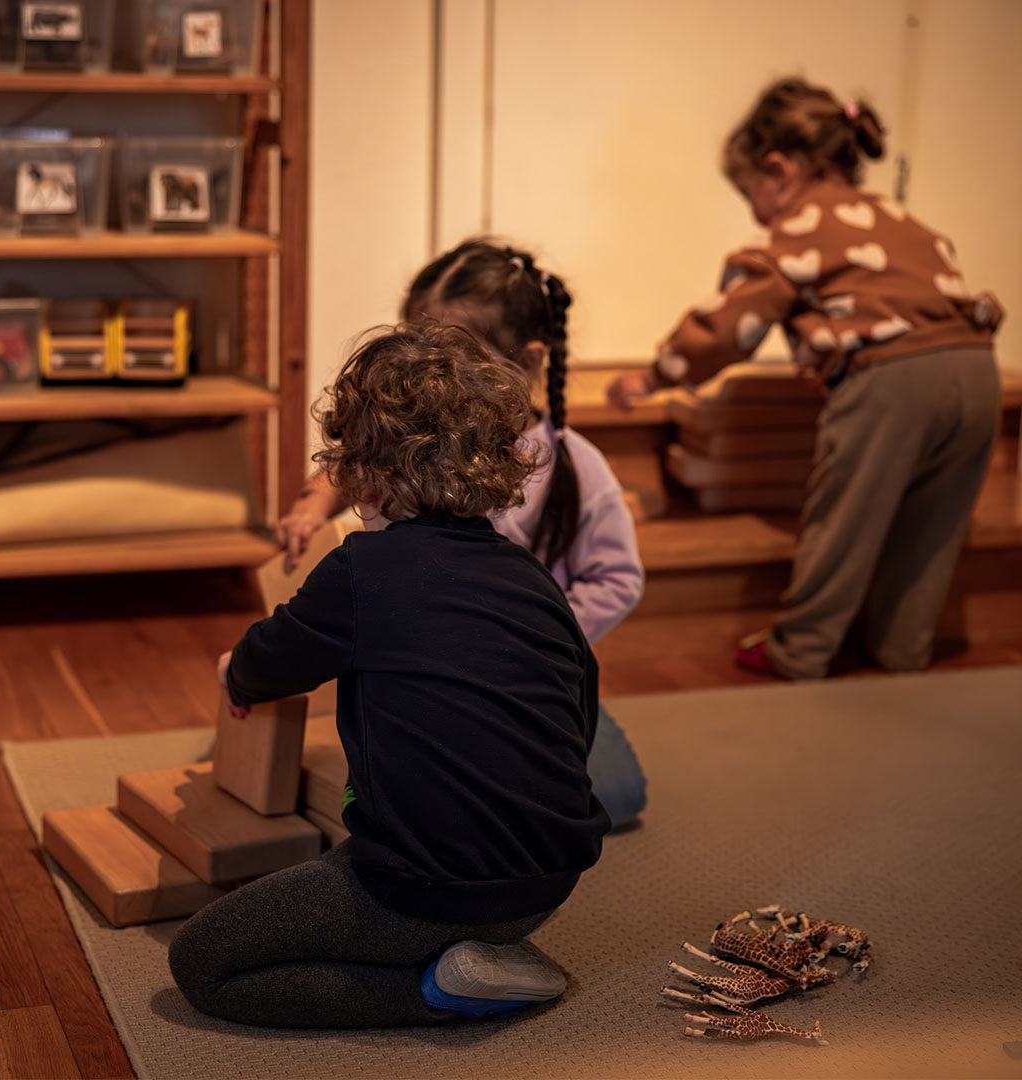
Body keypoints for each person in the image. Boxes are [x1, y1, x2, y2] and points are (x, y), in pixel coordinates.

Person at [168, 322, 610, 1028]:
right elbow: (579, 714)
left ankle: (438, 991)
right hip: (550, 881)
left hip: (424, 889)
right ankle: (485, 955)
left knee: (204, 963)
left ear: (361, 472)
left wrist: (235, 673)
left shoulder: (359, 570)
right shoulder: (532, 579)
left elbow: (270, 658)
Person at [607, 77, 1003, 680]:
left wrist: (656, 374)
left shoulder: (801, 227)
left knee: (843, 519)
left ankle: (801, 648)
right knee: (931, 529)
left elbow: (734, 322)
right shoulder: (904, 220)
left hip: (893, 382)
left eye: (750, 195)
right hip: (977, 371)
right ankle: (902, 648)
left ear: (780, 170)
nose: (755, 214)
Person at [279, 240, 648, 826]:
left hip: (525, 681)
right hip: (420, 669)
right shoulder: (417, 442)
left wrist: (536, 641)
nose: (430, 374)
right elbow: (353, 462)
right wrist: (310, 505)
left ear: (528, 361)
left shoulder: (578, 467)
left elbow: (618, 579)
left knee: (615, 793)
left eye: (457, 355)